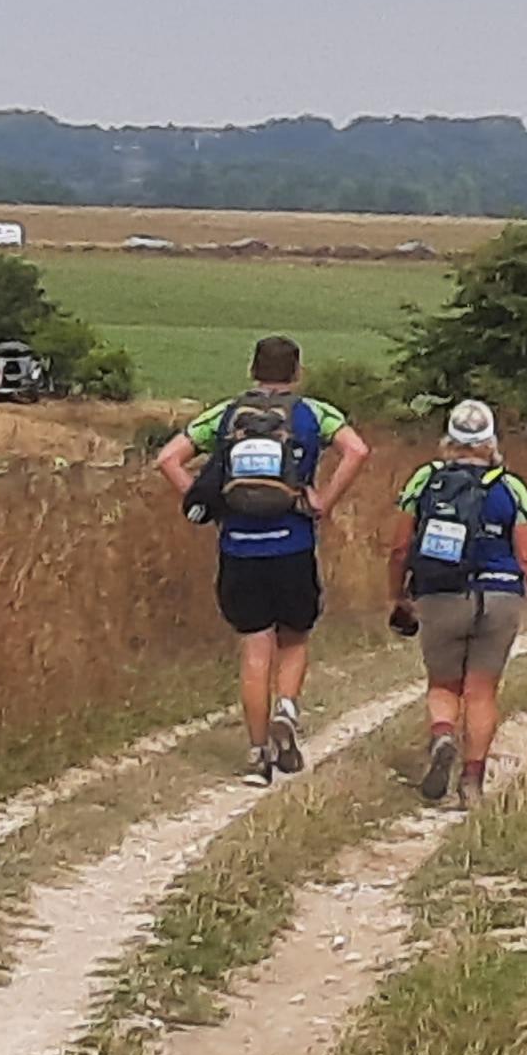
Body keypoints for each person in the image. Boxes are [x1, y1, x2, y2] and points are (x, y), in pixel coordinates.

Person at [153, 335, 370, 785]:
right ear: (297, 373)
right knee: (295, 637)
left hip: (238, 547)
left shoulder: (226, 414)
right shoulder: (314, 413)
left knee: (255, 648)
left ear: (252, 369)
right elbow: (357, 450)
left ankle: (256, 756)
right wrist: (325, 500)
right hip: (292, 544)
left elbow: (168, 458)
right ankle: (287, 711)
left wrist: (205, 505)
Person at [385, 398, 527, 804]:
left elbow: (399, 548)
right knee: (482, 692)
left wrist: (398, 596)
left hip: (441, 595)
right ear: (490, 441)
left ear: (449, 439)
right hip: (500, 597)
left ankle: (443, 735)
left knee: (443, 685)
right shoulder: (510, 487)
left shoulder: (424, 481)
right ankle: (472, 782)